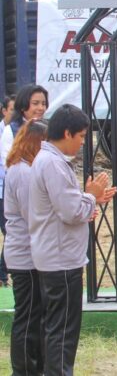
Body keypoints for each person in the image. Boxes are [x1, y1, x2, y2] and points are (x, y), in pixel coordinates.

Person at [28, 104, 117, 376]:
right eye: (80, 136)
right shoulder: (53, 163)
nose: (81, 143)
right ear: (66, 133)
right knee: (63, 330)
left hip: (55, 254)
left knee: (56, 326)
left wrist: (90, 199)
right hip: (60, 257)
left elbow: (67, 206)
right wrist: (90, 196)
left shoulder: (49, 160)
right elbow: (69, 212)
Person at [4, 119, 47, 374]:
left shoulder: (23, 169)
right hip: (25, 254)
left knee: (33, 314)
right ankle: (23, 369)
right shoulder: (23, 172)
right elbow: (34, 214)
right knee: (27, 316)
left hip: (29, 251)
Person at [0, 84, 48, 161]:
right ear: (22, 106)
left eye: (44, 104)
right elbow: (7, 163)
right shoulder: (10, 130)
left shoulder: (48, 128)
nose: (41, 108)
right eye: (35, 103)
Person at [0, 94, 15, 288]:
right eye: (12, 110)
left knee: (10, 232)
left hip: (6, 192)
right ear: (4, 110)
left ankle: (2, 274)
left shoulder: (18, 132)